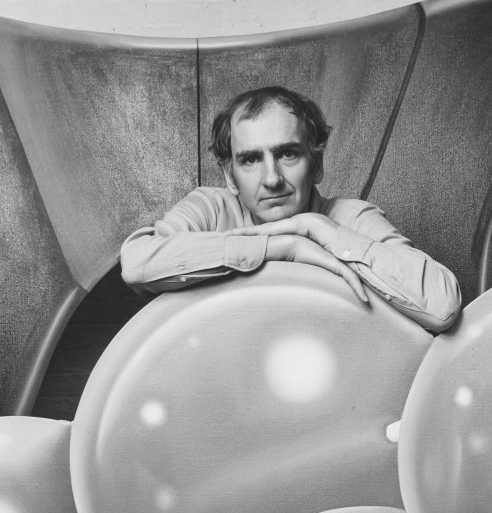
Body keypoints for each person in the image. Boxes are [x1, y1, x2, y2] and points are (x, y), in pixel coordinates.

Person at [121, 86, 461, 333]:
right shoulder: (210, 208)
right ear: (230, 176)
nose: (272, 179)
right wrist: (279, 247)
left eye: (288, 154)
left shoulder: (349, 217)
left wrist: (321, 230)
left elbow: (443, 306)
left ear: (316, 164)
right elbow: (136, 265)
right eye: (251, 159)